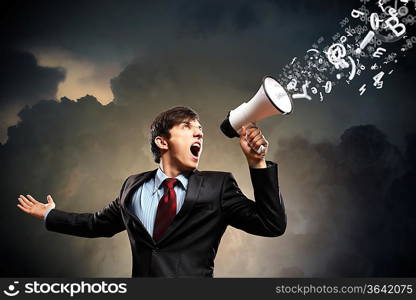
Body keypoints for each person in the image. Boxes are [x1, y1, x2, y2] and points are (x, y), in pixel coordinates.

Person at [17, 106, 286, 277]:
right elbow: (95, 224)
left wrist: (256, 163)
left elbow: (270, 224)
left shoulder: (218, 186)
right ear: (162, 141)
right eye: (188, 128)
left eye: (200, 131)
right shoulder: (132, 186)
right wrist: (50, 215)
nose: (199, 135)